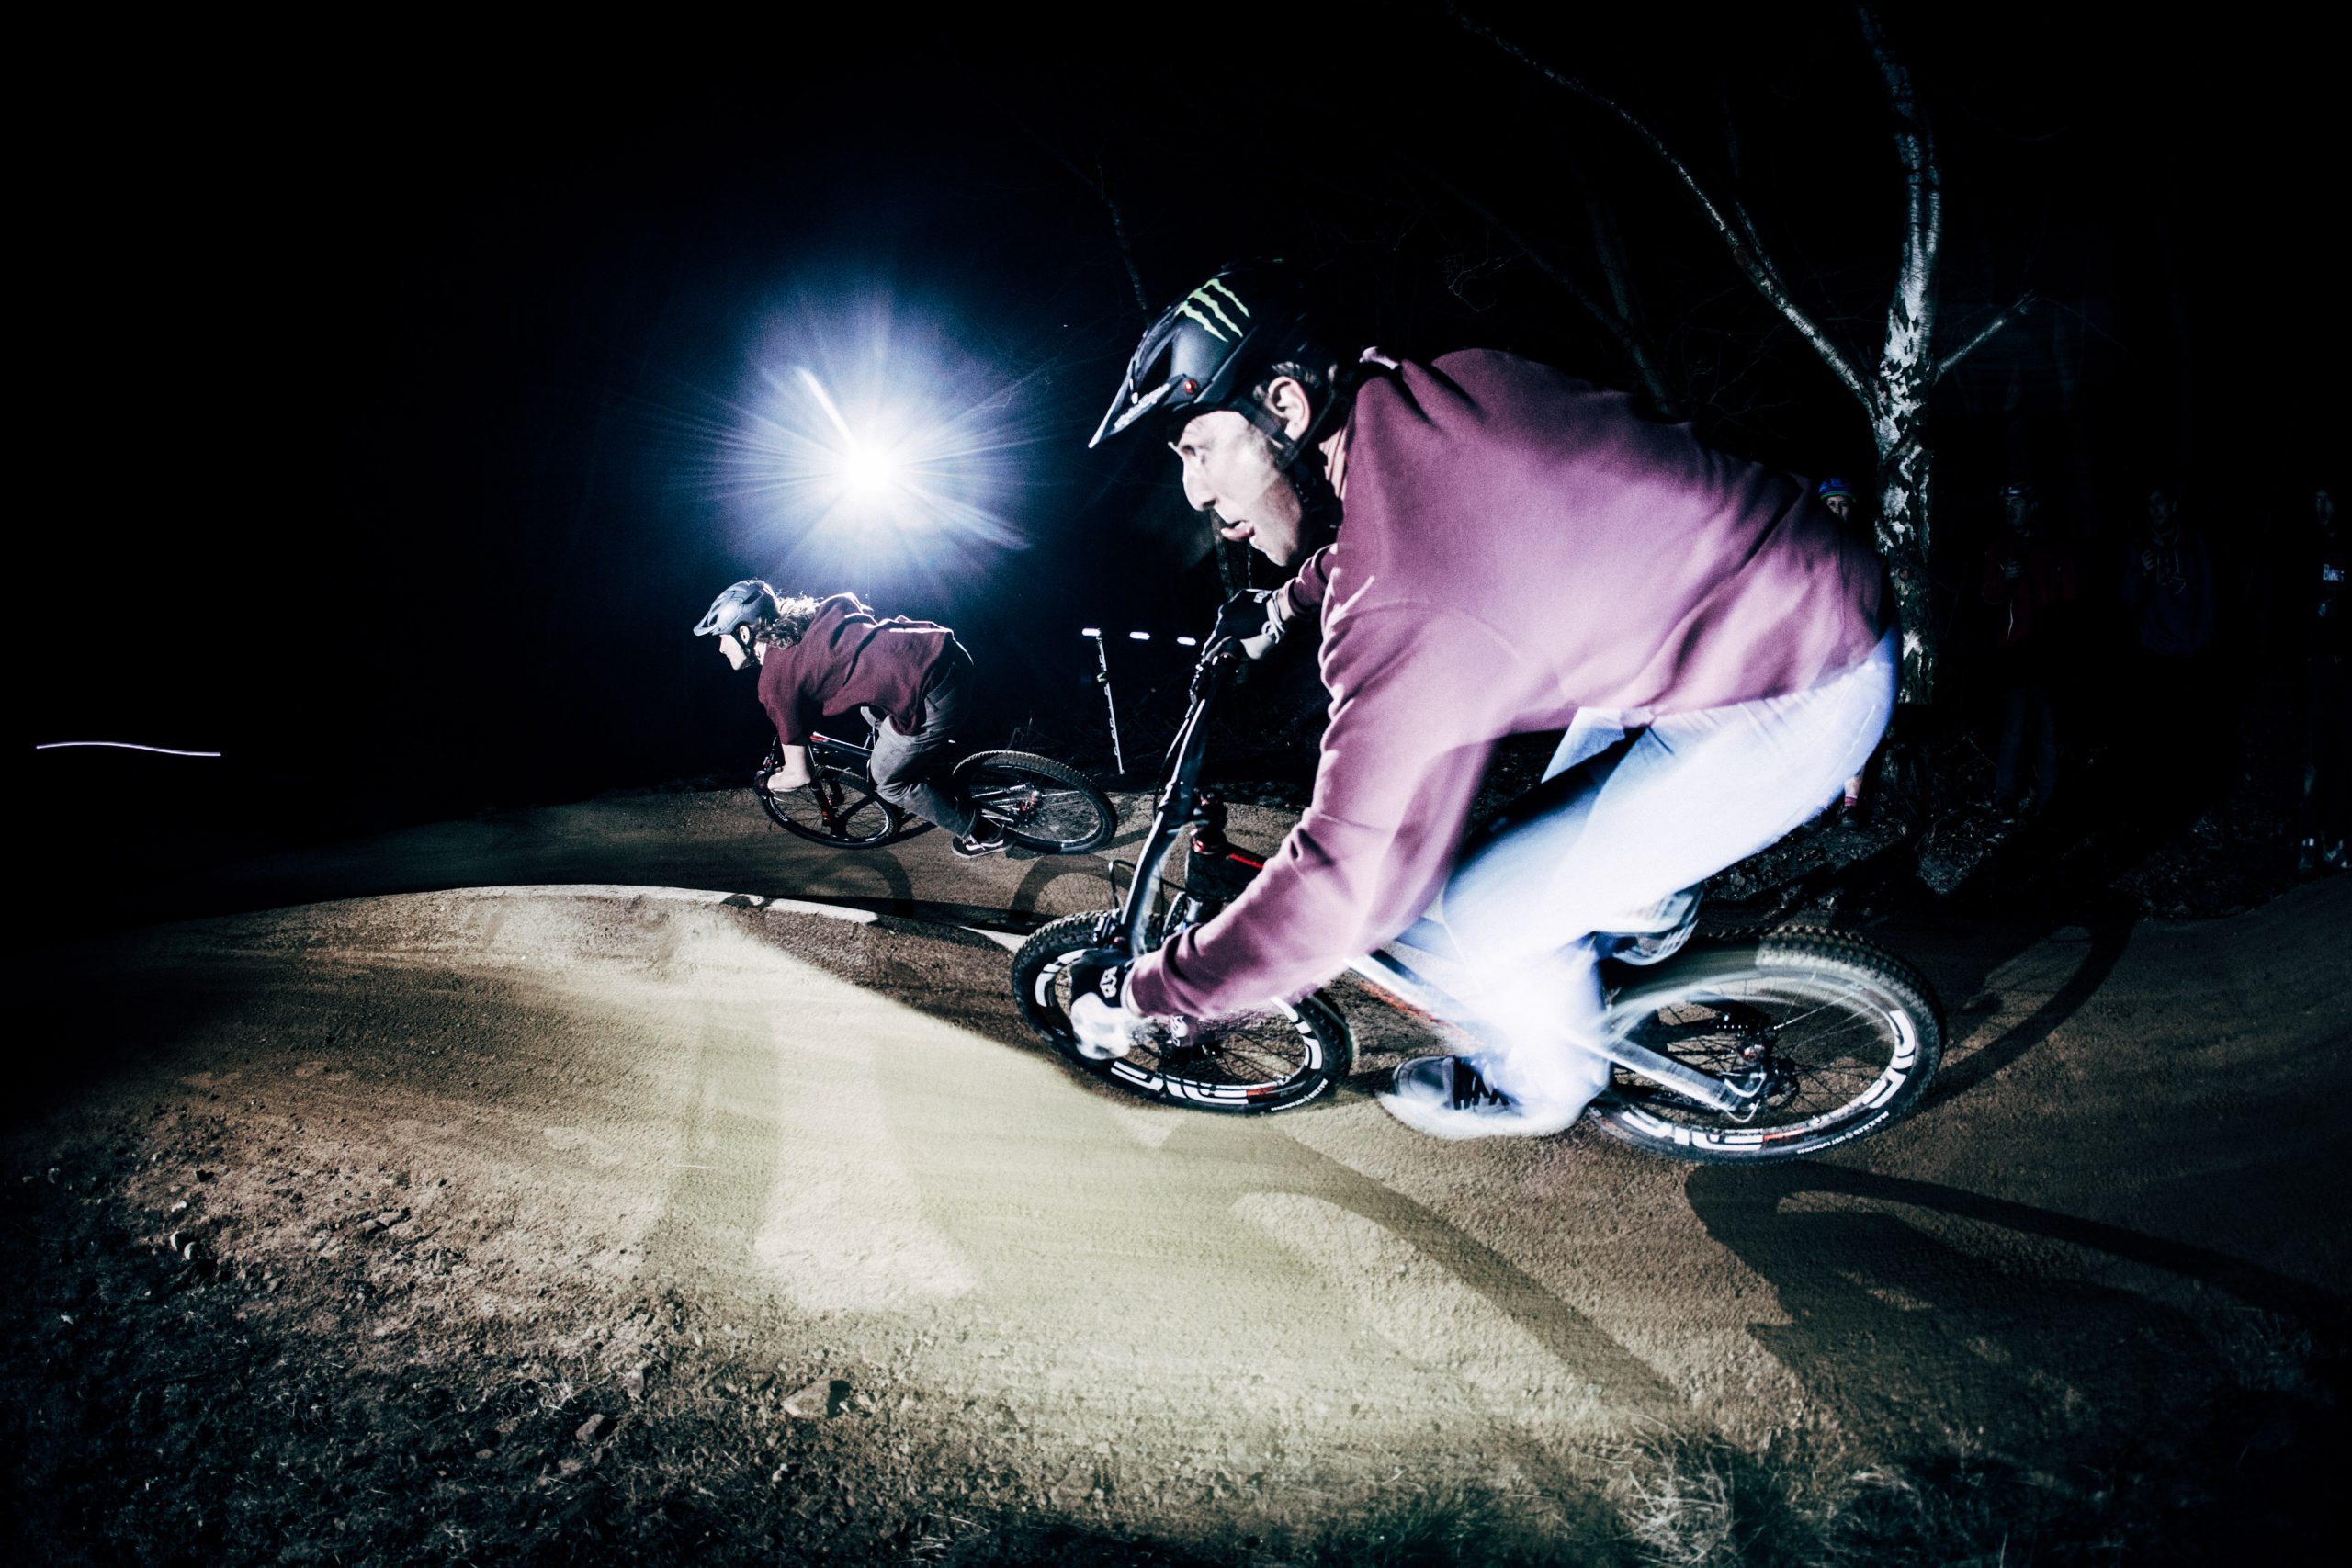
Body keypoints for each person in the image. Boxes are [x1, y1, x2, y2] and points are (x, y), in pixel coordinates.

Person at [1068, 262, 1893, 1139]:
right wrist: (1286, 605)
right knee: (1546, 860)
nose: (1196, 492)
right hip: (1762, 599)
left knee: (1476, 915)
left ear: (1286, 406)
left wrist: (1156, 994)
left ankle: (1542, 1084)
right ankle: (1642, 910)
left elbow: (1348, 886)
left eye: (1198, 450)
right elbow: (1385, 539)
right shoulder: (1425, 394)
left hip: (1796, 683)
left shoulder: (1402, 602)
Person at [693, 580, 1007, 857]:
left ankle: (983, 833)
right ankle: (928, 762)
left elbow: (801, 775)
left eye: (721, 637)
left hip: (934, 692)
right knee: (869, 709)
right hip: (943, 650)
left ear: (744, 633)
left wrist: (766, 783)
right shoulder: (815, 616)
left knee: (887, 782)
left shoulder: (775, 682)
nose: (720, 648)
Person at [1979, 481, 2076, 824]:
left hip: (2048, 653)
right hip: (2015, 653)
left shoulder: (2054, 548)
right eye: (2007, 504)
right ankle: (2006, 798)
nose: (2012, 510)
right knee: (2014, 727)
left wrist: (2063, 642)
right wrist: (2005, 579)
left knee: (2048, 729)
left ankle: (2048, 801)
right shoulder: (1999, 548)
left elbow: (2070, 599)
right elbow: (1988, 598)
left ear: (2032, 506)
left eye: (2018, 503)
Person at [2298, 487, 2347, 874]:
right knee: (2317, 756)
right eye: (2316, 499)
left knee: (2343, 755)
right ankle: (2307, 843)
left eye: (2328, 498)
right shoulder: (2306, 551)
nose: (2322, 507)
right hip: (2317, 667)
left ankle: (2334, 840)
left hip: (2344, 665)